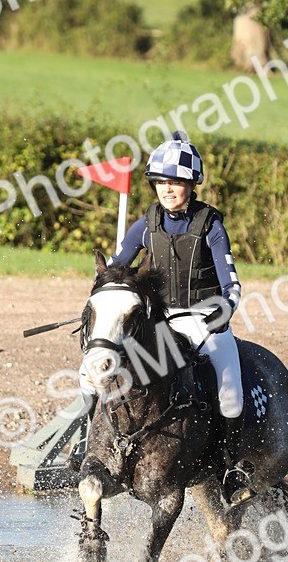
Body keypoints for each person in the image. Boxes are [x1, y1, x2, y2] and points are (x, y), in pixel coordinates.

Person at [97, 130, 254, 506]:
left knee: (230, 397)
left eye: (177, 183)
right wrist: (101, 305)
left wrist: (226, 309)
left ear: (192, 184)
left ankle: (232, 470)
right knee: (98, 372)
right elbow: (113, 272)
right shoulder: (144, 224)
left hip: (204, 321)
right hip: (159, 322)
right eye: (162, 183)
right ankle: (92, 450)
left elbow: (231, 284)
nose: (168, 190)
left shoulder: (210, 224)